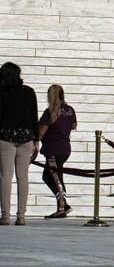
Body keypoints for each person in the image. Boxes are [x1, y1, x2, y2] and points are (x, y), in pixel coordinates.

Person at [0, 62, 38, 226]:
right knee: (23, 177)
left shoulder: (1, 92)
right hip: (26, 137)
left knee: (5, 176)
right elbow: (33, 116)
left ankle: (5, 215)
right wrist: (37, 140)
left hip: (6, 136)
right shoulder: (29, 92)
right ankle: (21, 216)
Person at [38, 84, 77, 218]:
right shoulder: (69, 109)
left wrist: (34, 142)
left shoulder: (49, 112)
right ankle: (63, 204)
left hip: (54, 149)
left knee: (55, 178)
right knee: (50, 176)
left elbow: (41, 131)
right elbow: (74, 125)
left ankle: (62, 206)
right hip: (65, 147)